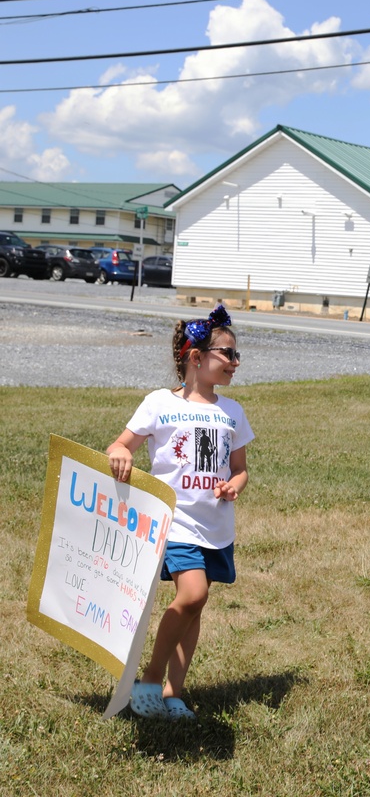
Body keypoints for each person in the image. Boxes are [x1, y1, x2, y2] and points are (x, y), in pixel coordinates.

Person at [108, 304, 254, 721]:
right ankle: (150, 681)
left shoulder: (233, 412)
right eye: (227, 353)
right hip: (173, 522)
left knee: (195, 608)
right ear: (195, 357)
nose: (235, 362)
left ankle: (175, 692)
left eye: (236, 354)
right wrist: (119, 454)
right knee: (193, 594)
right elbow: (121, 445)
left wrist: (234, 485)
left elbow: (241, 470)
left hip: (216, 526)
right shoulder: (159, 403)